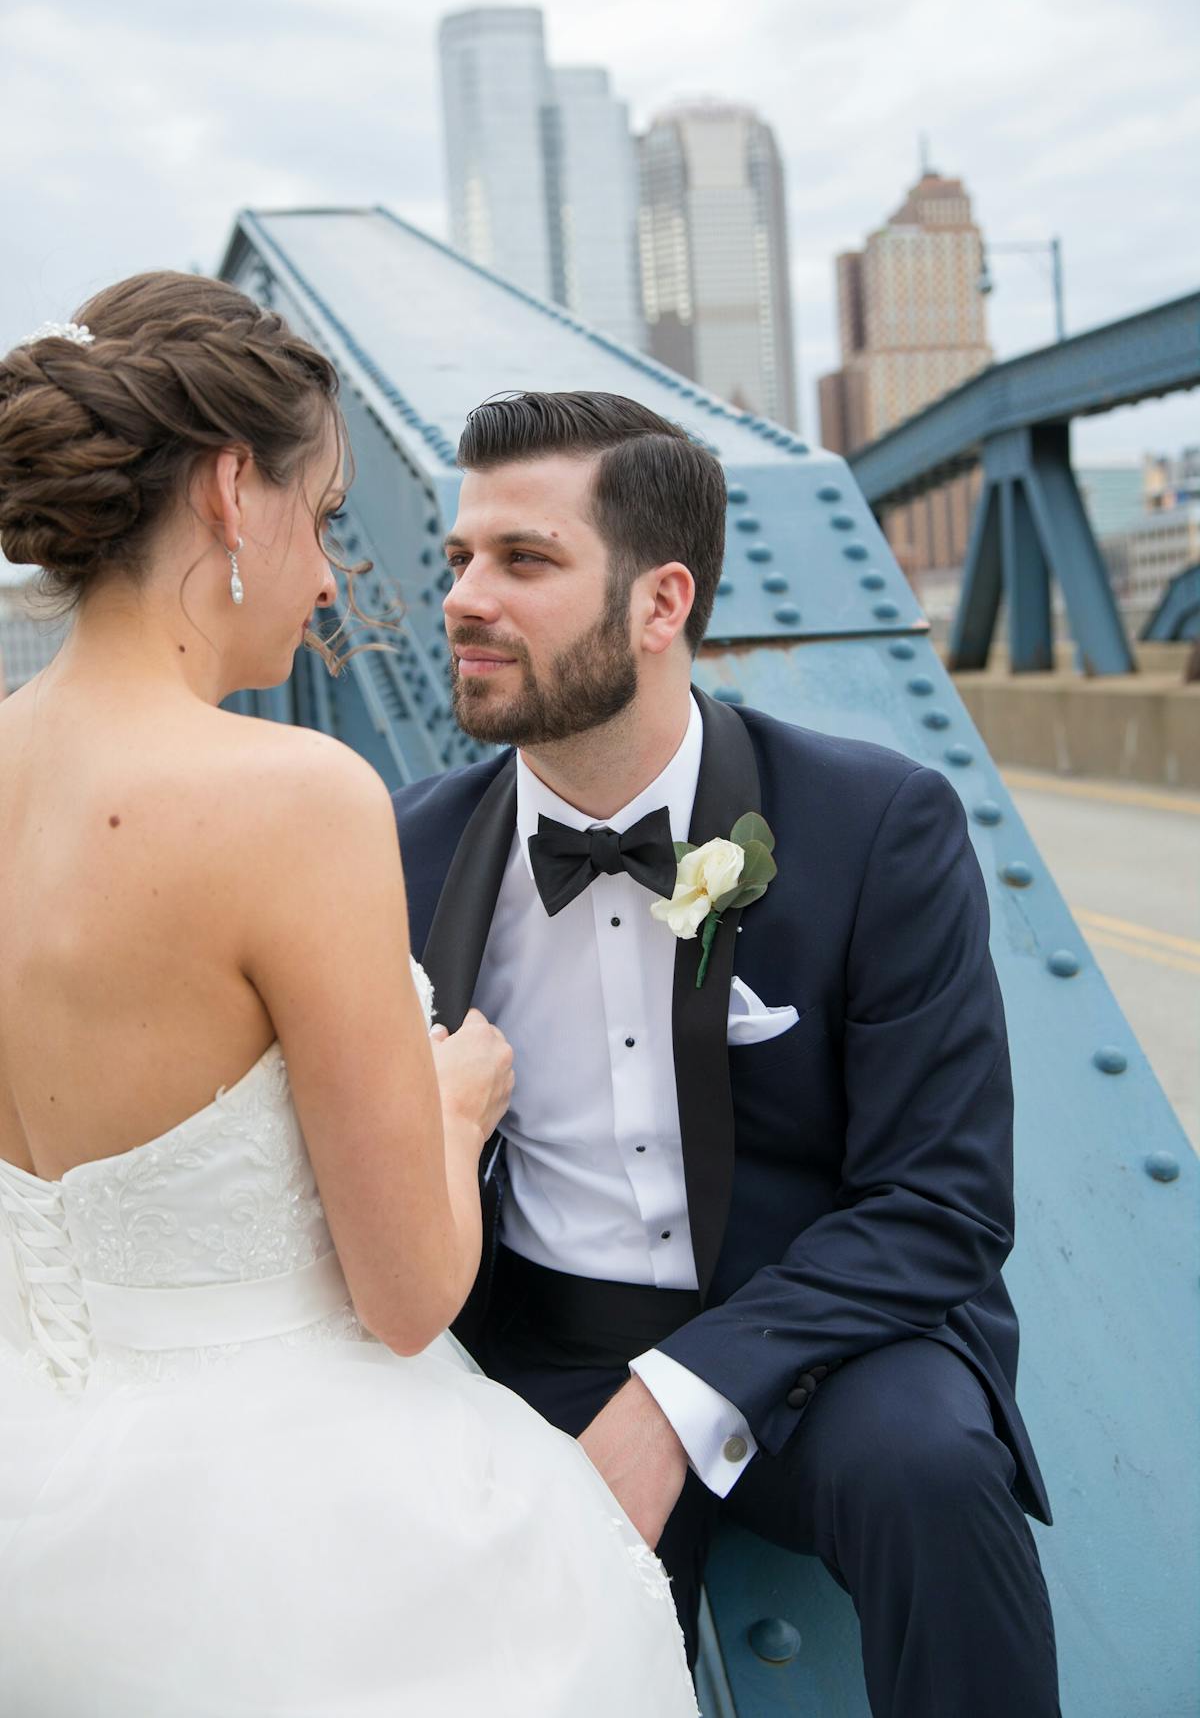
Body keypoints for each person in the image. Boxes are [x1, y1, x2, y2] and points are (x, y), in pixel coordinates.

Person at [0, 279, 699, 1717]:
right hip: (277, 1547)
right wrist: (453, 1108)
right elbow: (406, 1295)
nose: (331, 578)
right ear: (228, 487)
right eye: (323, 516)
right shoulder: (296, 797)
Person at [392, 390, 1063, 1718]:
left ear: (661, 603)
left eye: (524, 561)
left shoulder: (876, 825)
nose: (465, 597)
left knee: (932, 1468)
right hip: (530, 1348)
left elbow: (942, 1202)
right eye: (458, 558)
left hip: (821, 1347)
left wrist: (671, 1403)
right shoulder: (397, 851)